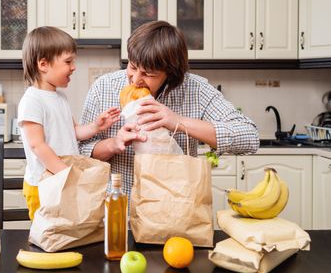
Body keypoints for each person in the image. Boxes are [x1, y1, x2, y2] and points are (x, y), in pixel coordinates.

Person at [79, 20, 259, 196]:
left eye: (148, 74)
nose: (135, 79)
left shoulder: (195, 89)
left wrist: (179, 122)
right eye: (132, 67)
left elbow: (249, 137)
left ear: (170, 74)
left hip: (175, 210)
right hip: (119, 206)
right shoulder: (103, 87)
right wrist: (113, 144)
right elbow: (80, 153)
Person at [18, 26, 120, 220]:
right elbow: (37, 145)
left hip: (63, 180)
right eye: (68, 61)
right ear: (43, 64)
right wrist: (67, 173)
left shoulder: (60, 97)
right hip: (44, 184)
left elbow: (73, 131)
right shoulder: (32, 100)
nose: (73, 67)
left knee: (65, 230)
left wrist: (96, 126)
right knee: (48, 232)